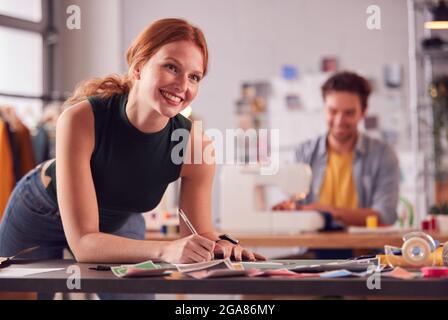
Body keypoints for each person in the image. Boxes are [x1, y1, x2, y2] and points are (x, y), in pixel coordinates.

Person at [0, 18, 264, 298]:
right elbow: (85, 244)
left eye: (194, 77)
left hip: (117, 223)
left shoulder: (196, 145)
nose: (181, 85)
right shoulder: (81, 119)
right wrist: (164, 249)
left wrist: (224, 246)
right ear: (139, 66)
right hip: (41, 212)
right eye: (171, 67)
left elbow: (197, 234)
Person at [273, 71, 400, 228]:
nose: (339, 120)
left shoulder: (382, 155)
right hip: (311, 249)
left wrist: (330, 212)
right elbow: (293, 208)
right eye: (332, 111)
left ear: (364, 112)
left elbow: (385, 215)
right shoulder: (303, 152)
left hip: (365, 250)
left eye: (349, 113)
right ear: (324, 109)